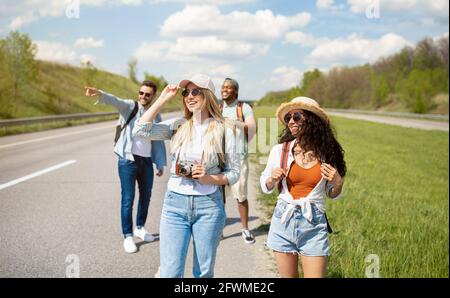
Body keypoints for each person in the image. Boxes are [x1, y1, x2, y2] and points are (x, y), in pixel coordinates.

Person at [133, 74, 240, 278]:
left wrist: (208, 178)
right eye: (186, 93)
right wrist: (162, 99)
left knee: (203, 273)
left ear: (208, 95)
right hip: (175, 205)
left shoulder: (225, 129)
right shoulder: (179, 124)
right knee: (170, 273)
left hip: (208, 206)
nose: (189, 96)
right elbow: (140, 130)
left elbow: (234, 173)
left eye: (195, 92)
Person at [260, 97, 346, 278]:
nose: (291, 121)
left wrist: (338, 183)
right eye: (289, 118)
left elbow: (332, 194)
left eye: (297, 116)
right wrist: (271, 179)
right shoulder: (280, 151)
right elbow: (265, 184)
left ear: (312, 120)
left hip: (313, 224)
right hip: (283, 220)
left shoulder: (327, 154)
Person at [84, 81, 167, 254]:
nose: (143, 96)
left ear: (153, 96)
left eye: (147, 94)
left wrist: (159, 163)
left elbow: (158, 140)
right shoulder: (131, 106)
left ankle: (140, 228)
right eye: (141, 93)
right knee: (128, 199)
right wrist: (100, 93)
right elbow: (116, 100)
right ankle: (128, 236)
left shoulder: (156, 115)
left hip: (145, 162)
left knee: (146, 197)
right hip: (128, 161)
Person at [220, 78, 257, 244]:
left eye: (228, 87)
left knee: (240, 195)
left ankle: (245, 229)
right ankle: (218, 229)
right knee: (219, 196)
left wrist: (233, 123)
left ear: (235, 91)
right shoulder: (218, 107)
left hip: (238, 160)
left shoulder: (244, 108)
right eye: (223, 87)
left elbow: (252, 127)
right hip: (219, 159)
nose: (225, 90)